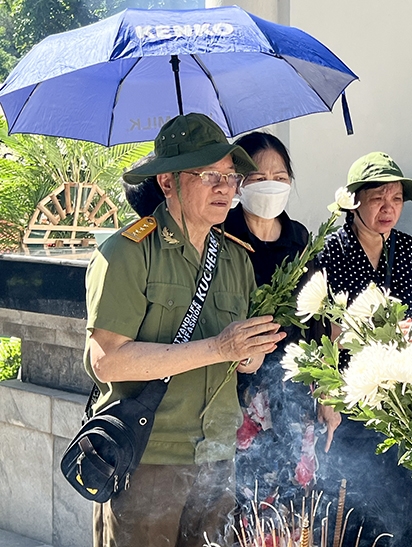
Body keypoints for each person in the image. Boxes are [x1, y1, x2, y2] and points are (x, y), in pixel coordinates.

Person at [85, 113, 286, 547]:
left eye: (231, 177)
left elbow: (241, 360)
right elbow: (108, 361)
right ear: (167, 182)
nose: (225, 188)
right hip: (147, 459)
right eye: (209, 175)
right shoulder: (126, 253)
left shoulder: (236, 259)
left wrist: (251, 353)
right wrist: (218, 346)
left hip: (217, 457)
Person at [315, 151, 412, 547]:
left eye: (396, 199)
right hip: (346, 401)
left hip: (398, 403)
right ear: (355, 200)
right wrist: (326, 397)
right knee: (345, 512)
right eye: (379, 197)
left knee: (395, 515)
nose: (388, 208)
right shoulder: (330, 252)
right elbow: (321, 334)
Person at [222, 132, 319, 516]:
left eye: (280, 177)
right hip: (240, 392)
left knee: (294, 504)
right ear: (240, 182)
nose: (271, 185)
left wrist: (324, 394)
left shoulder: (300, 239)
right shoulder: (223, 234)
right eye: (260, 176)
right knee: (245, 501)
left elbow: (316, 319)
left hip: (294, 393)